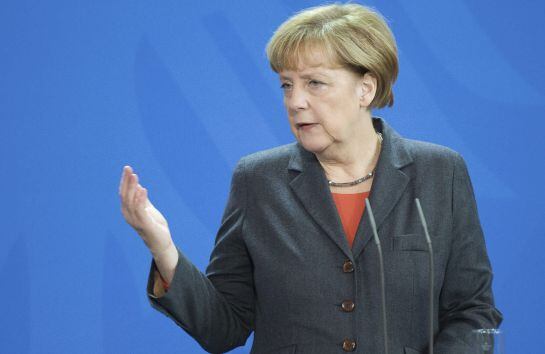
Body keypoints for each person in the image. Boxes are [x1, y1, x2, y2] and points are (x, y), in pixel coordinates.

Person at [119, 3, 502, 353]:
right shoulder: (257, 180)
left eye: (314, 83)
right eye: (287, 84)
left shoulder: (441, 173)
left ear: (365, 88)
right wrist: (163, 248)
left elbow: (472, 311)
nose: (295, 101)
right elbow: (224, 327)